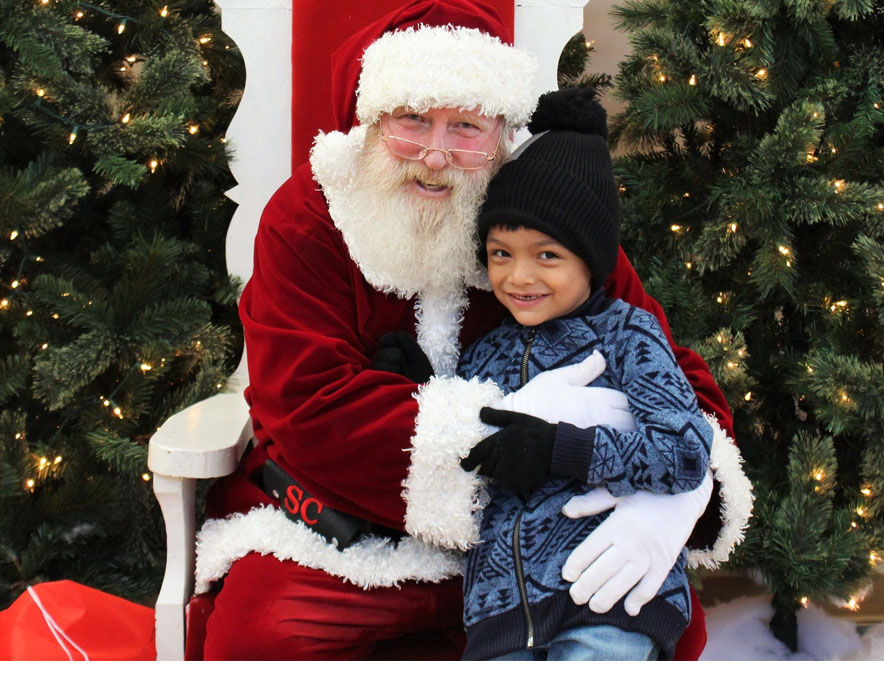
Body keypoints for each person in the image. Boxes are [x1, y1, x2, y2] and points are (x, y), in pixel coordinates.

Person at [195, 0, 751, 660]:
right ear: (371, 118)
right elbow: (308, 407)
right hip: (343, 539)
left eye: (465, 126)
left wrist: (681, 499)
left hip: (532, 533)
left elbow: (667, 365)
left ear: (500, 133)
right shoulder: (311, 215)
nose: (435, 154)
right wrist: (507, 428)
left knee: (656, 620)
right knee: (259, 633)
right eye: (412, 120)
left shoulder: (536, 216)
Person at [457, 88, 711, 661]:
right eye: (501, 253)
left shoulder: (628, 334)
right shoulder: (482, 353)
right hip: (501, 621)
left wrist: (564, 450)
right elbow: (461, 450)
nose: (519, 276)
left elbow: (686, 451)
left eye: (547, 256)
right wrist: (418, 379)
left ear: (590, 259)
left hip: (610, 602)